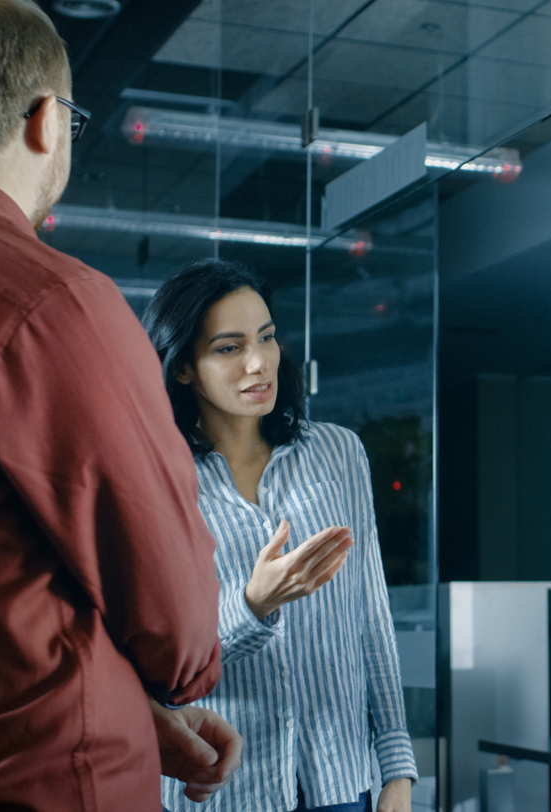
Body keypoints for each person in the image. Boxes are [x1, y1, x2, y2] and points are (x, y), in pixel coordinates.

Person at [0, 2, 243, 808]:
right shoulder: (53, 305)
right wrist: (159, 691)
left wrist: (133, 711)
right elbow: (171, 611)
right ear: (44, 121)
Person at [144, 260, 418, 812]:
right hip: (222, 791)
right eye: (229, 347)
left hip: (341, 783)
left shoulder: (339, 453)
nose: (258, 362)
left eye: (266, 337)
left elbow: (371, 615)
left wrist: (398, 769)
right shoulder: (154, 479)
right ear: (183, 369)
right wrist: (253, 603)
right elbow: (160, 663)